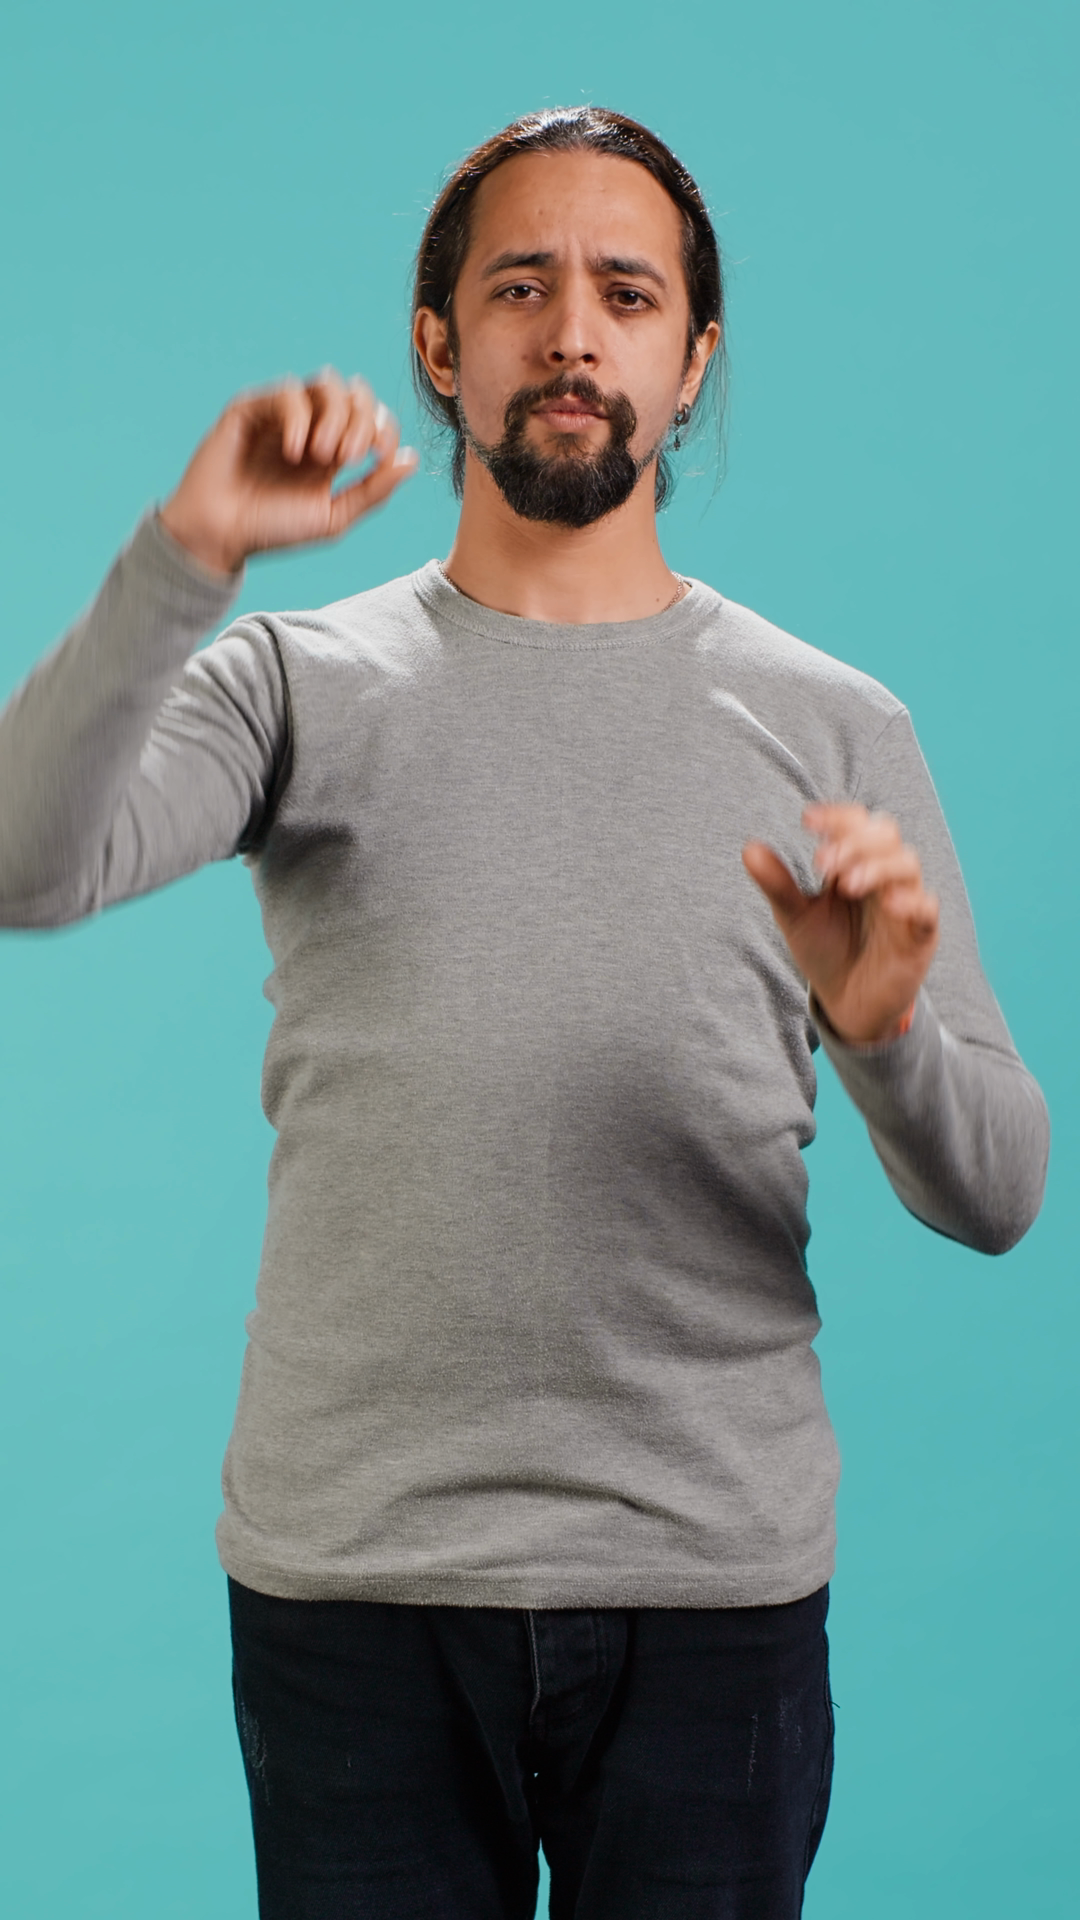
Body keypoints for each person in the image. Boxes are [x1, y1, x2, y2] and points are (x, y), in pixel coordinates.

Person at [0, 105, 1048, 1920]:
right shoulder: (293, 681)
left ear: (691, 359)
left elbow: (1002, 1194)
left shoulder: (837, 723)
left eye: (628, 294)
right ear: (440, 343)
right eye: (521, 288)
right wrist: (187, 553)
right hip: (354, 1590)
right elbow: (26, 865)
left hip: (710, 1598)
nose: (574, 334)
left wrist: (886, 1036)